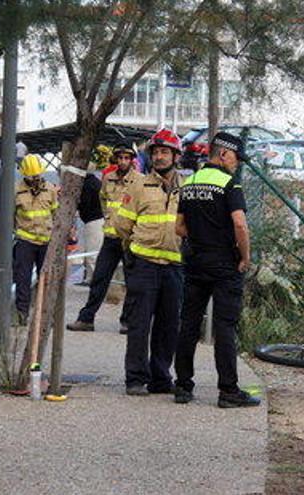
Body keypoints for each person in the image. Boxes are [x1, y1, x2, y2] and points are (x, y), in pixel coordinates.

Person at [173, 132, 260, 409]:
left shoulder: (190, 182)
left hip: (195, 261)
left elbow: (179, 227)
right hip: (225, 264)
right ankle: (228, 391)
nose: (237, 164)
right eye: (235, 158)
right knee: (224, 327)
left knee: (188, 324)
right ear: (223, 154)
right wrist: (244, 257)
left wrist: (200, 236)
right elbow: (240, 225)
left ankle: (183, 387)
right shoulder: (229, 184)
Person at [112, 129, 183, 396]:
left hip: (174, 267)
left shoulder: (185, 188)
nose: (159, 156)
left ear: (176, 156)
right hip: (144, 264)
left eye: (165, 152)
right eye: (156, 152)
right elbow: (121, 225)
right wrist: (135, 252)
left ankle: (161, 378)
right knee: (139, 324)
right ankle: (135, 379)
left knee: (168, 326)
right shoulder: (139, 186)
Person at [67, 144, 142, 333]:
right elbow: (103, 201)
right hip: (111, 238)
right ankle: (86, 319)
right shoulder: (108, 179)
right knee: (99, 278)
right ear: (116, 159)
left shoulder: (140, 181)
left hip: (130, 239)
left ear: (132, 160)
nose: (123, 161)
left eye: (127, 158)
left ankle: (127, 321)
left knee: (132, 282)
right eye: (120, 157)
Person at [13, 154, 59, 324]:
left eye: (37, 176)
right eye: (31, 176)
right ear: (24, 175)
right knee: (22, 279)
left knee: (47, 280)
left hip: (46, 241)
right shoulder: (16, 190)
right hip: (25, 241)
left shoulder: (50, 190)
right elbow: (9, 216)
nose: (34, 179)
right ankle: (22, 313)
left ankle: (47, 316)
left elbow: (56, 214)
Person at [77, 162, 104, 285]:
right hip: (99, 220)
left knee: (92, 252)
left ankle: (92, 279)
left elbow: (85, 203)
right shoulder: (97, 182)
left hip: (92, 222)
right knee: (93, 250)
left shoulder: (87, 185)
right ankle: (90, 277)